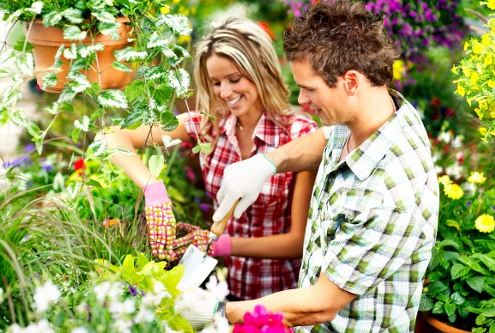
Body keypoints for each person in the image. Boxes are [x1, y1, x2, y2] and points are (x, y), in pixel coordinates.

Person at [184, 1, 439, 332]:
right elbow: (326, 138)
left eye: (309, 89)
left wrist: (216, 311)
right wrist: (266, 162)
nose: (301, 101)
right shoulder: (376, 113)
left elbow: (321, 304)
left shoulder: (388, 191)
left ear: (350, 81)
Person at [97, 16, 318, 301]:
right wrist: (154, 190)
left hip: (283, 298)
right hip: (227, 292)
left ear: (261, 70)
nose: (225, 93)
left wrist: (218, 245)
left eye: (234, 79)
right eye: (216, 82)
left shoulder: (299, 135)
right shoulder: (207, 127)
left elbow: (298, 242)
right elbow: (110, 136)